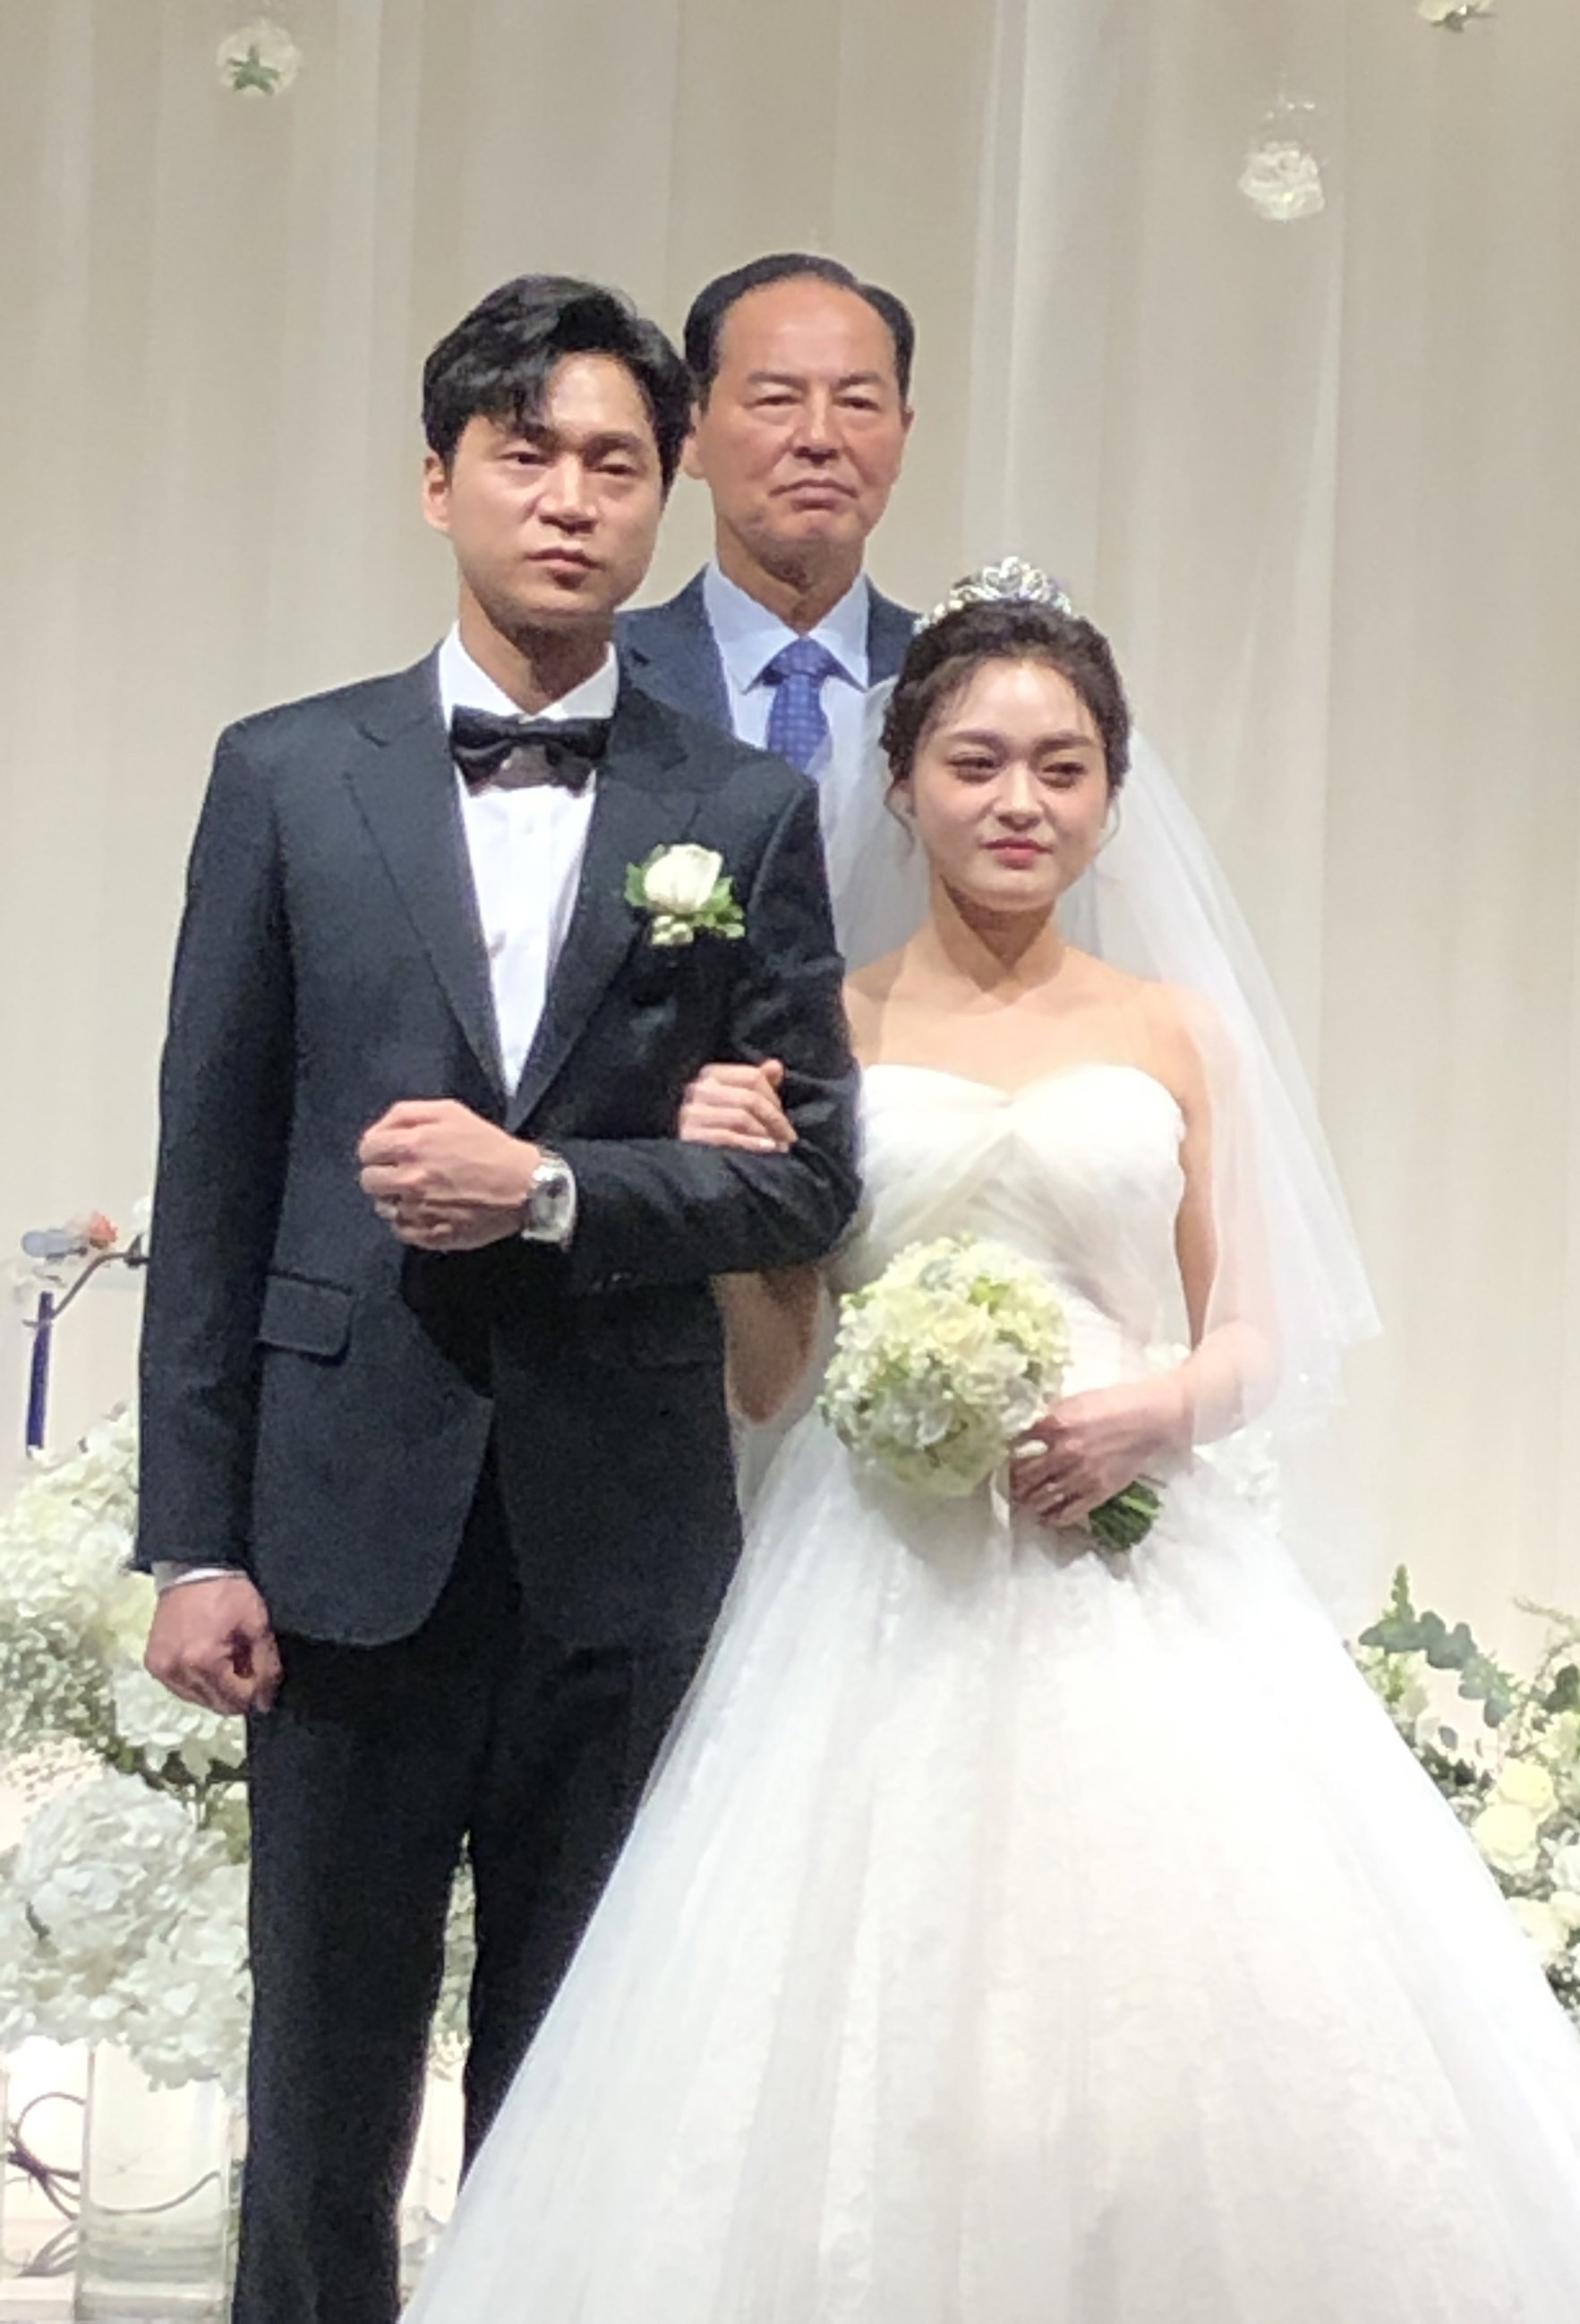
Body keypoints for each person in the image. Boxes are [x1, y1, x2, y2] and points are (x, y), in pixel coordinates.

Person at [402, 571, 1580, 2323]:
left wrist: (1153, 1409)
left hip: (1133, 1551)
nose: (1016, 802)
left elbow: (1256, 1327)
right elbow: (772, 1379)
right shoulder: (824, 1029)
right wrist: (726, 1204)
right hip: (876, 1567)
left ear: (1111, 788)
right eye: (973, 763)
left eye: (1060, 766)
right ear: (899, 782)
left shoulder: (1174, 1029)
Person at [134, 272, 858, 2324]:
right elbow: (212, 1167)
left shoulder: (738, 808)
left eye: (614, 463)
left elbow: (809, 1174)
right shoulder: (288, 774)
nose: (569, 498)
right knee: (321, 2087)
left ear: (663, 494)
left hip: (617, 1533)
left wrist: (552, 1189)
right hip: (342, 1524)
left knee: (579, 2093)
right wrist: (194, 1539)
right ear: (436, 479)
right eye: (525, 454)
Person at [616, 252, 919, 814]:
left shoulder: (955, 677)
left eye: (857, 403)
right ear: (689, 434)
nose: (819, 438)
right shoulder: (603, 672)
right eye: (777, 400)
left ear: (902, 433)